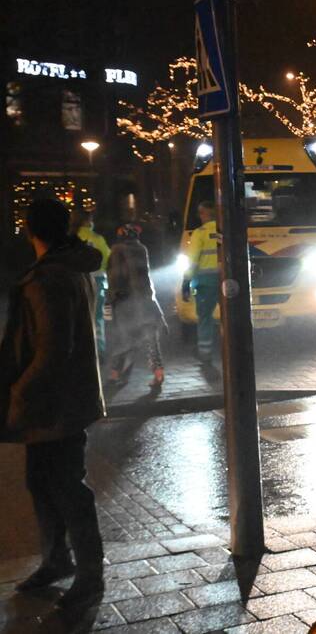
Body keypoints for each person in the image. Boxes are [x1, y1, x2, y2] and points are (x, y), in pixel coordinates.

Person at [0, 199, 106, 610]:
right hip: (62, 399)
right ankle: (56, 559)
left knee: (65, 488)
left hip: (53, 404)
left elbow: (51, 350)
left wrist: (19, 393)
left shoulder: (48, 279)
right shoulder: (69, 269)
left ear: (30, 230)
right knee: (42, 482)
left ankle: (89, 575)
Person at [107, 224, 167, 388]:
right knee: (151, 339)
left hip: (125, 302)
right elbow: (146, 277)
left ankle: (115, 375)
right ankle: (158, 373)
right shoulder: (142, 249)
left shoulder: (117, 250)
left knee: (123, 339)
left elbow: (114, 278)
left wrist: (111, 298)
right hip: (145, 299)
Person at [181, 201, 220, 365]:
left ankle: (205, 353)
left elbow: (192, 261)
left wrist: (186, 281)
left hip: (205, 282)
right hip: (224, 280)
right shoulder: (223, 231)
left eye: (200, 213)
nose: (199, 216)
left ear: (205, 213)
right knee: (229, 316)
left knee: (205, 317)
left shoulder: (200, 233)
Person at [71, 207, 110, 360]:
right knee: (97, 317)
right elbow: (108, 259)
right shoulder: (97, 239)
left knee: (77, 317)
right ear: (87, 221)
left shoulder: (69, 239)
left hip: (75, 282)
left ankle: (79, 350)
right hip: (97, 281)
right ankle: (98, 350)